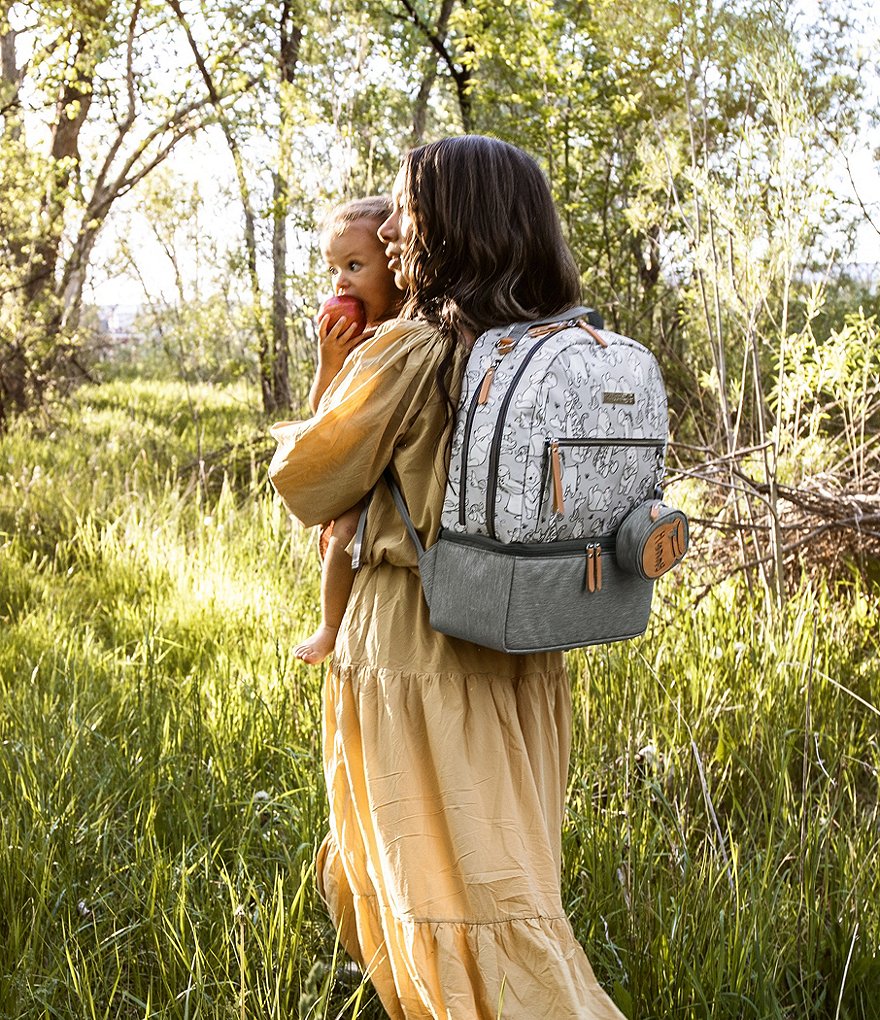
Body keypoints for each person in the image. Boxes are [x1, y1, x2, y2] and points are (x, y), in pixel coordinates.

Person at [269, 136, 626, 1019]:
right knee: (508, 881)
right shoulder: (560, 342)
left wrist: (330, 375)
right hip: (524, 640)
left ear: (448, 225)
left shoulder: (411, 348)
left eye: (406, 211)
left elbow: (307, 482)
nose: (392, 231)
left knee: (436, 883)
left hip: (418, 640)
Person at [294, 196, 403, 665]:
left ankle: (333, 624)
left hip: (396, 466)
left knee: (353, 528)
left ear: (394, 265)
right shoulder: (351, 336)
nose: (340, 281)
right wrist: (330, 361)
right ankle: (329, 625)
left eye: (355, 266)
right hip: (359, 465)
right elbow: (322, 412)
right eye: (334, 269)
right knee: (344, 530)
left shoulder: (404, 332)